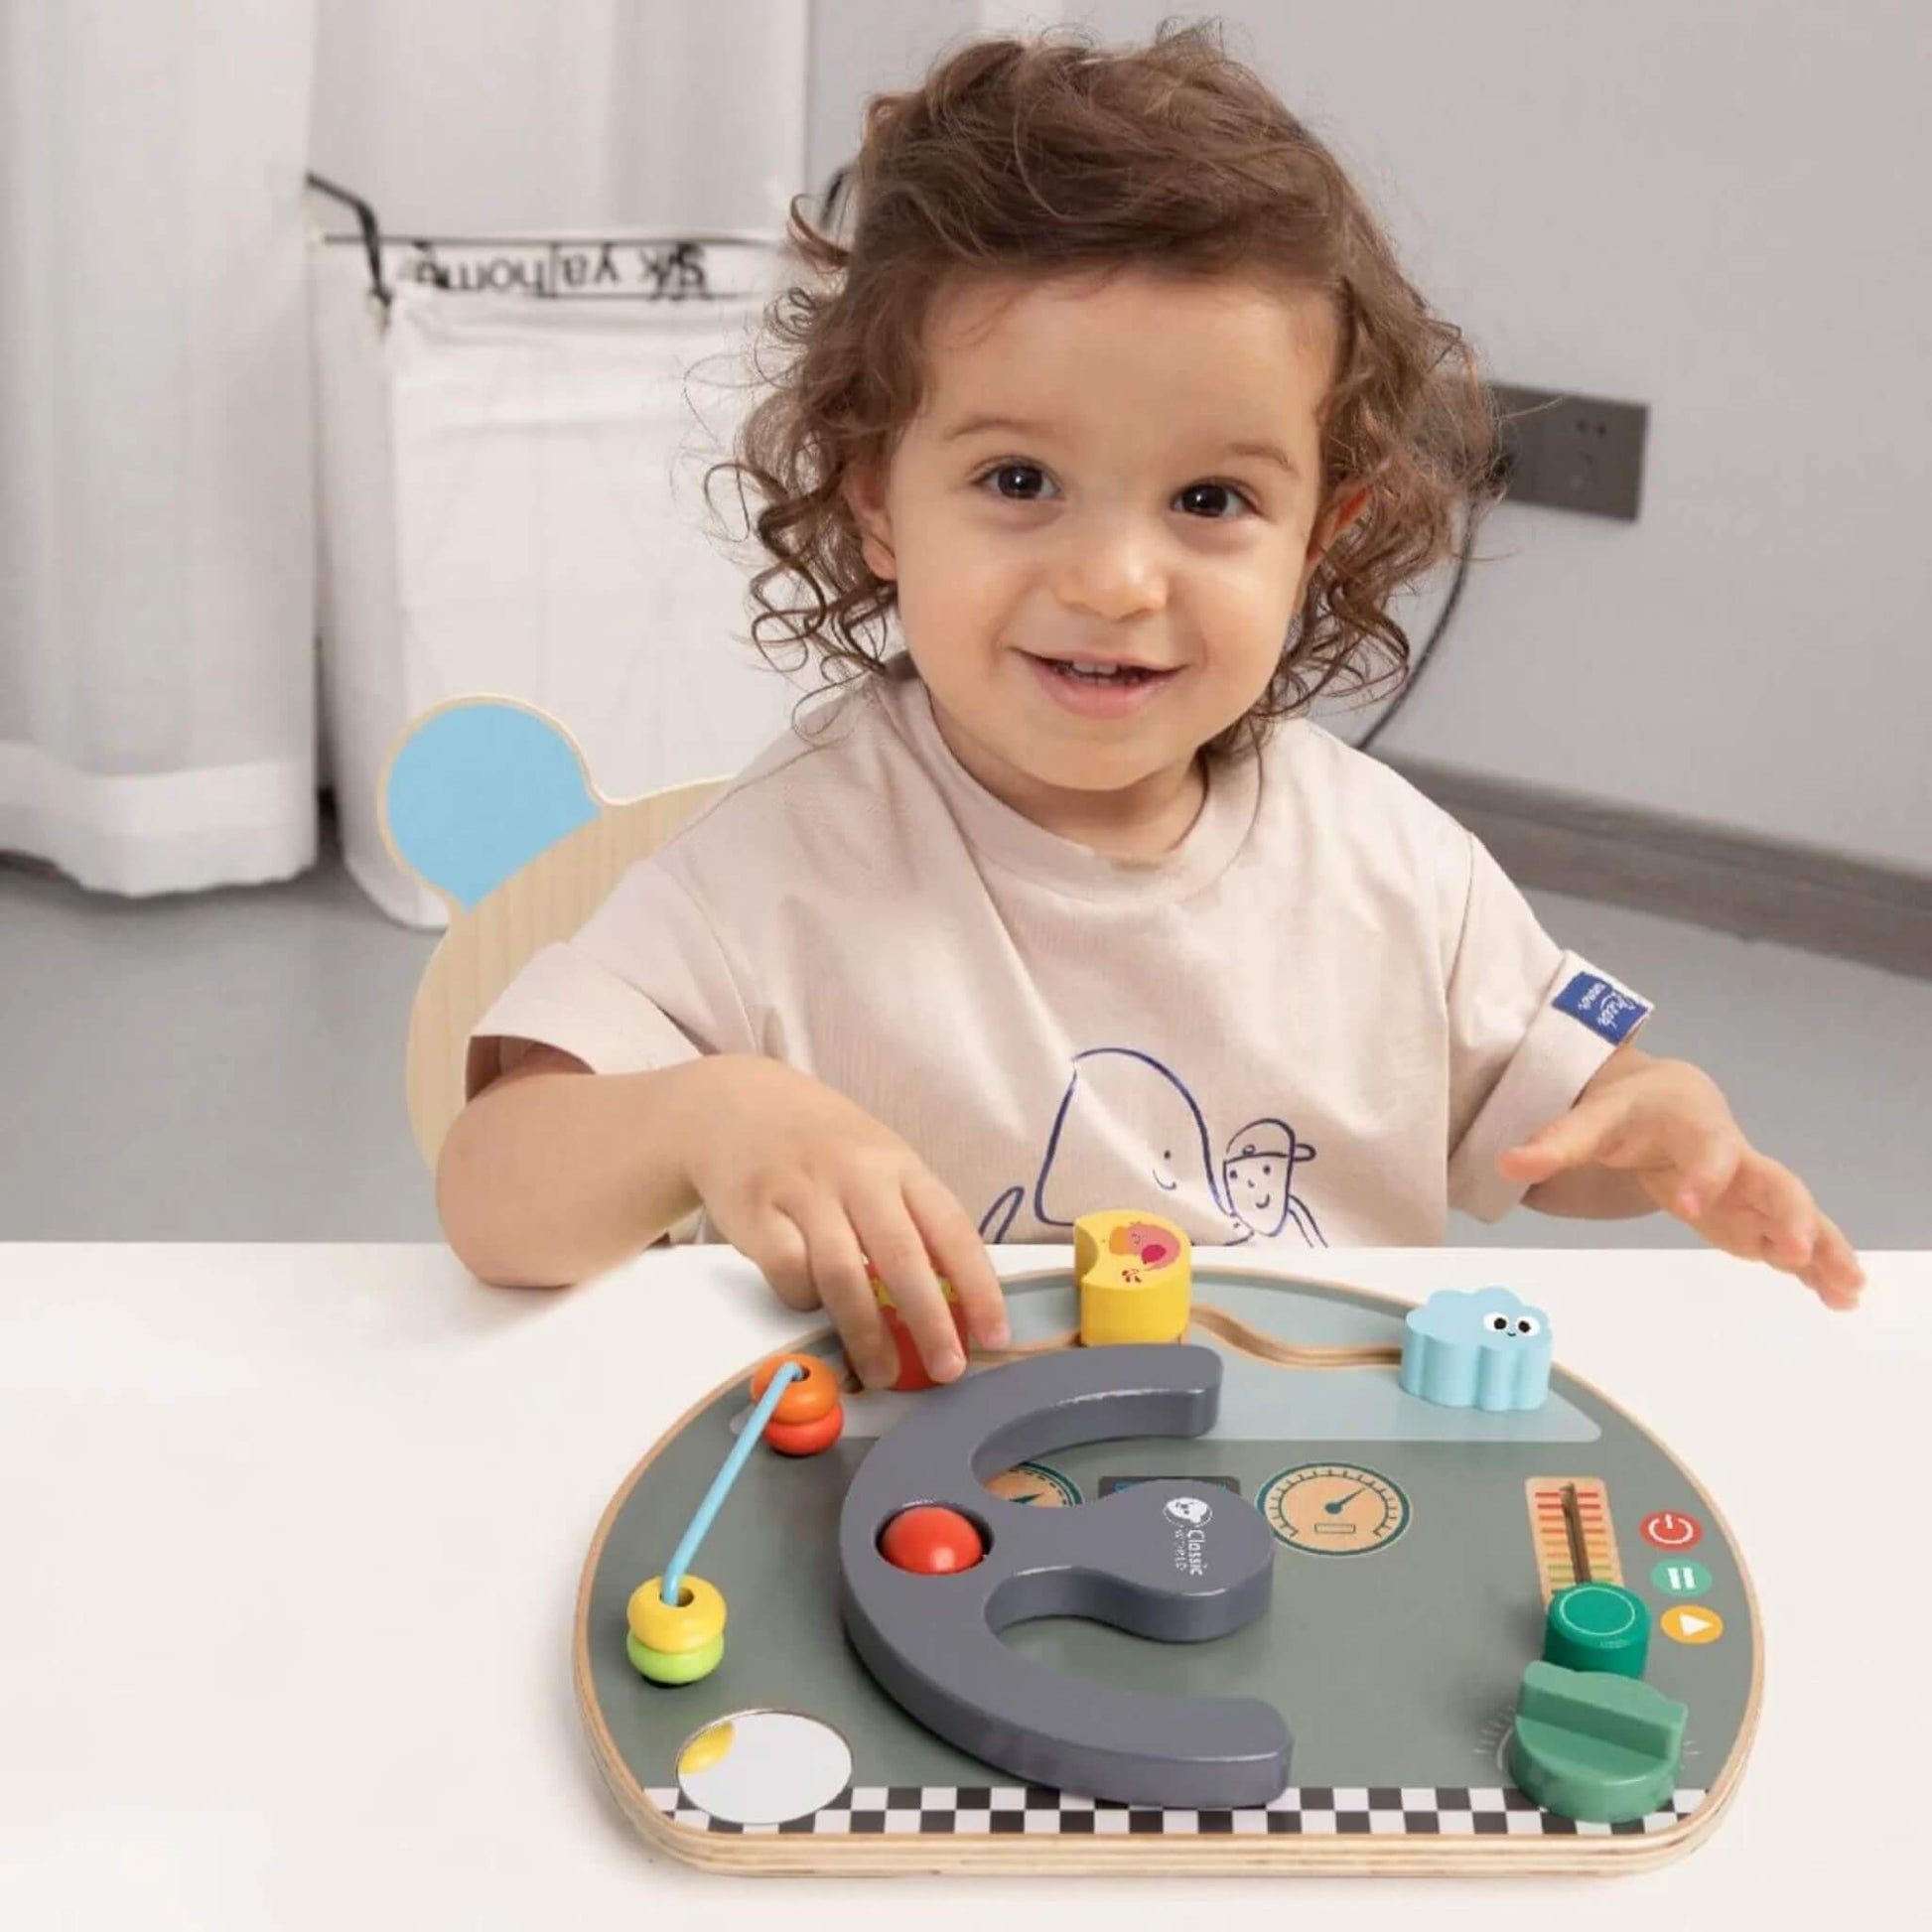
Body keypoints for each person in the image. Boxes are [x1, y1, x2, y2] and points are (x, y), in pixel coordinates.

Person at [435, 22, 1864, 1389]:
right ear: (876, 499)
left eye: (1209, 499)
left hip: (1323, 1502)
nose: (1116, 579)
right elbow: (495, 1190)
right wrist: (707, 1115)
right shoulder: (780, 867)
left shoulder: (1387, 863)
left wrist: (1662, 1125)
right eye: (1016, 481)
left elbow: (1561, 1134)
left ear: (1316, 531)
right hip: (925, 1525)